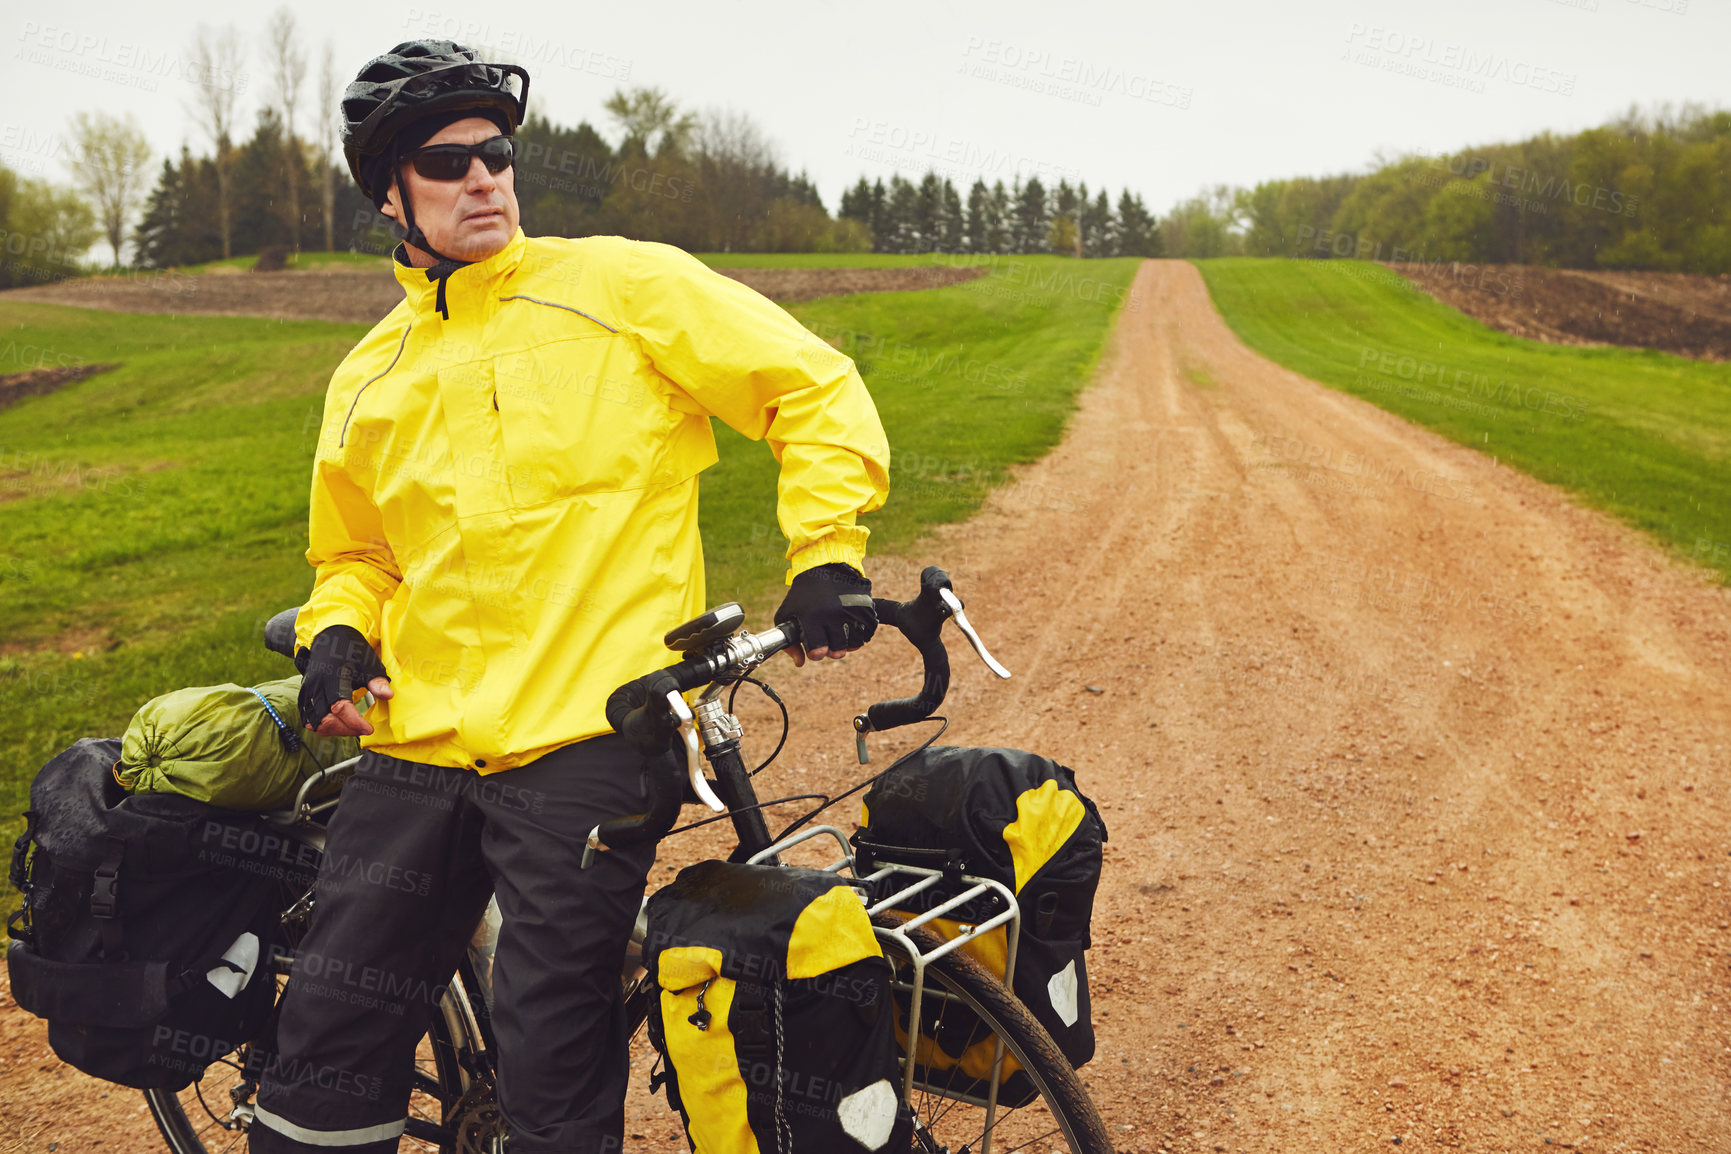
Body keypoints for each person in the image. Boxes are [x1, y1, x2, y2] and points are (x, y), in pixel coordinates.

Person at [250, 40, 889, 1154]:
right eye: (447, 163)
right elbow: (354, 553)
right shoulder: (369, 373)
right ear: (389, 195)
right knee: (322, 1047)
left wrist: (827, 550)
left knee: (555, 1055)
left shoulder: (624, 286)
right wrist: (339, 631)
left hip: (597, 726)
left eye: (496, 151)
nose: (484, 177)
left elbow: (810, 385)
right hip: (426, 740)